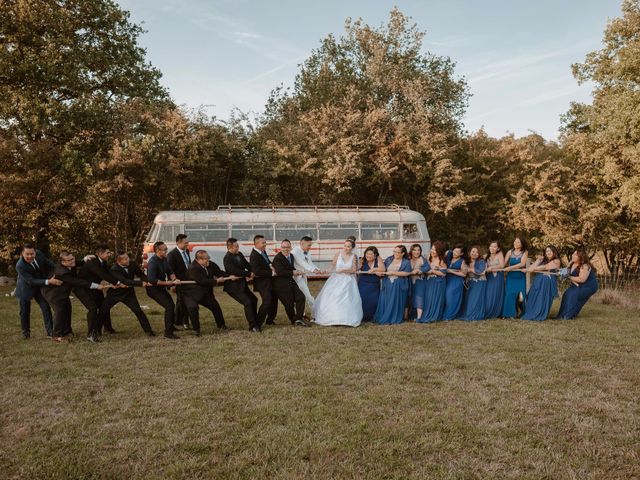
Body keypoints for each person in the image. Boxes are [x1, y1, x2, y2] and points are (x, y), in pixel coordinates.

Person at [42, 252, 107, 342]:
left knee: (68, 309)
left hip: (63, 291)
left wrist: (85, 259)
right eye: (69, 260)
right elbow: (77, 281)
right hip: (53, 293)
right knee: (60, 312)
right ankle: (57, 335)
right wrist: (96, 286)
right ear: (63, 262)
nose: (73, 261)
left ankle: (67, 331)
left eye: (73, 258)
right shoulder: (62, 272)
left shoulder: (69, 264)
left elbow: (77, 263)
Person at [101, 252, 156, 336]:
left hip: (128, 294)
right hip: (114, 294)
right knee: (103, 310)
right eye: (125, 259)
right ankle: (105, 329)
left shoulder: (132, 264)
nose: (128, 260)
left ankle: (148, 331)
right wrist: (141, 283)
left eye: (128, 257)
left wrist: (146, 280)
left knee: (138, 311)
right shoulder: (114, 269)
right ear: (119, 262)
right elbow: (125, 281)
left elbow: (141, 274)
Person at [182, 250, 236, 336]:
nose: (208, 260)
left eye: (208, 258)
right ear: (198, 260)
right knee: (193, 308)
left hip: (204, 293)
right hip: (191, 293)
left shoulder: (210, 264)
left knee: (215, 306)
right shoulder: (193, 268)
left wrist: (229, 276)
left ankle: (221, 325)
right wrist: (216, 281)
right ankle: (197, 330)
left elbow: (219, 272)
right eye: (206, 259)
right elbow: (202, 281)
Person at [14, 243, 61, 339]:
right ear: (22, 253)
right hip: (25, 289)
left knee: (45, 307)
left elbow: (49, 263)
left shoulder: (39, 254)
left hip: (40, 287)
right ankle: (25, 333)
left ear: (35, 252)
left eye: (32, 254)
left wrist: (59, 270)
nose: (30, 256)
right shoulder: (20, 265)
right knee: (24, 312)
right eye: (27, 254)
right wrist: (49, 281)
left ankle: (50, 332)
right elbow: (31, 281)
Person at [314, 239, 363, 327]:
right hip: (336, 278)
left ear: (352, 248)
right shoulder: (338, 254)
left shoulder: (354, 256)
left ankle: (346, 319)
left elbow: (354, 270)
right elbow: (332, 265)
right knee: (333, 296)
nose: (346, 248)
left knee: (347, 298)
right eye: (345, 245)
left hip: (348, 280)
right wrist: (326, 270)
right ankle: (332, 318)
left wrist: (344, 270)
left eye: (348, 246)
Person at [79, 244, 121, 335]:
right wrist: (117, 283)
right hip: (85, 288)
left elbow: (108, 273)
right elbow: (102, 274)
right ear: (100, 253)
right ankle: (93, 332)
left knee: (104, 307)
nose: (109, 254)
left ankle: (108, 328)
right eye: (107, 253)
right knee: (93, 309)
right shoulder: (93, 262)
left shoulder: (103, 262)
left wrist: (119, 280)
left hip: (95, 287)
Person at [223, 238, 261, 332]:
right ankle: (252, 326)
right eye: (236, 246)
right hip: (233, 288)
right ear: (230, 247)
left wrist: (253, 270)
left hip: (242, 285)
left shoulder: (239, 254)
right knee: (247, 302)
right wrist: (248, 274)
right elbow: (234, 271)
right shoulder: (227, 258)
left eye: (238, 246)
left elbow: (247, 264)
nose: (238, 248)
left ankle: (256, 320)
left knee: (254, 299)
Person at [146, 241, 181, 339]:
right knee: (169, 307)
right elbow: (152, 280)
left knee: (171, 305)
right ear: (158, 251)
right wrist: (169, 283)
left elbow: (170, 271)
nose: (167, 251)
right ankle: (168, 333)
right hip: (153, 290)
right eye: (165, 249)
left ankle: (171, 327)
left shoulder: (164, 259)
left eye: (166, 249)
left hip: (160, 288)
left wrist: (174, 279)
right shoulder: (152, 262)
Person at [272, 239, 308, 326]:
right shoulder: (277, 258)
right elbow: (280, 272)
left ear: (290, 247)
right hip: (281, 285)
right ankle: (293, 320)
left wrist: (298, 271)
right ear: (281, 248)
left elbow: (291, 268)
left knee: (301, 297)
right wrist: (293, 273)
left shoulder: (291, 256)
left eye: (287, 247)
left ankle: (298, 319)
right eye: (283, 247)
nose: (285, 249)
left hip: (290, 282)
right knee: (289, 305)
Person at [556, 247, 599, 319]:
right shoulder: (572, 263)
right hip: (577, 285)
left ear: (581, 257)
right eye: (573, 254)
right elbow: (565, 272)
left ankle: (568, 316)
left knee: (572, 295)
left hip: (589, 286)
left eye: (575, 255)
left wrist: (568, 277)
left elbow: (582, 279)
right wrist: (558, 272)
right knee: (567, 293)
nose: (573, 255)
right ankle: (562, 315)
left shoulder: (585, 266)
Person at [374, 245, 412, 325]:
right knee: (387, 300)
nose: (395, 253)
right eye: (394, 251)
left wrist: (394, 273)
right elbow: (383, 269)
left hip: (399, 284)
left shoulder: (406, 262)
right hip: (387, 283)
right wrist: (379, 272)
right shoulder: (389, 259)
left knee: (395, 301)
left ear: (403, 253)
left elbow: (407, 273)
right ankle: (384, 316)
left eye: (398, 252)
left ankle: (394, 317)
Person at [521, 245, 562, 321]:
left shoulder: (557, 261)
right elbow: (531, 268)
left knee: (541, 297)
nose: (548, 252)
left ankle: (539, 313)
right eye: (547, 251)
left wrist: (531, 269)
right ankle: (531, 312)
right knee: (532, 295)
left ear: (554, 252)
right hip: (538, 280)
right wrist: (537, 261)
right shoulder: (543, 260)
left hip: (547, 282)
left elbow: (545, 267)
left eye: (550, 251)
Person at [249, 235, 279, 326]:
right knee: (267, 302)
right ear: (256, 243)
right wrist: (271, 273)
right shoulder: (254, 255)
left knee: (274, 300)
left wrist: (271, 265)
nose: (265, 244)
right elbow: (256, 271)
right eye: (263, 243)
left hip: (270, 281)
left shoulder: (262, 251)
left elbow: (267, 261)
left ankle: (270, 320)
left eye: (265, 242)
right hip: (262, 283)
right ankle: (258, 322)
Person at [418, 241, 448, 323]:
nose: (433, 251)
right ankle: (427, 314)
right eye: (432, 249)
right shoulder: (428, 258)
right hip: (429, 281)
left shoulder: (441, 260)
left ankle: (434, 316)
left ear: (439, 251)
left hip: (438, 282)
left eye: (435, 250)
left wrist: (433, 271)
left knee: (435, 298)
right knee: (428, 298)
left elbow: (443, 273)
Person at [167, 234, 192, 330]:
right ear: (178, 243)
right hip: (179, 282)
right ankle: (185, 322)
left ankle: (178, 320)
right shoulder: (172, 255)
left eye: (188, 243)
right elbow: (170, 271)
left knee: (181, 302)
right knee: (183, 302)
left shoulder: (187, 251)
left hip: (188, 281)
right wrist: (173, 284)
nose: (187, 245)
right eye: (185, 243)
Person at [291, 236, 320, 317]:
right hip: (296, 278)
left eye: (310, 245)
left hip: (303, 276)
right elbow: (302, 263)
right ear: (302, 243)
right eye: (309, 245)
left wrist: (318, 269)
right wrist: (313, 270)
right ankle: (315, 314)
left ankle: (303, 314)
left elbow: (309, 262)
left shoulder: (306, 251)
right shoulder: (294, 252)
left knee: (302, 296)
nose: (310, 247)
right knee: (308, 296)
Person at [502, 236, 529, 318]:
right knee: (509, 294)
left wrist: (510, 268)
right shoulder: (510, 252)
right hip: (511, 277)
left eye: (518, 242)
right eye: (515, 241)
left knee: (521, 297)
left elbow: (522, 264)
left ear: (522, 244)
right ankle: (508, 314)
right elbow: (503, 264)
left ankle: (522, 312)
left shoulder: (525, 252)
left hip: (520, 277)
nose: (516, 243)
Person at [458, 246, 487, 321]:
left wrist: (470, 269)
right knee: (469, 299)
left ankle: (475, 315)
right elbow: (463, 271)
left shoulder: (481, 261)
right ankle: (468, 313)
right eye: (473, 251)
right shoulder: (466, 261)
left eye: (477, 252)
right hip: (469, 282)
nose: (474, 253)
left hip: (479, 282)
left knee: (475, 299)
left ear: (479, 254)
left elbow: (480, 271)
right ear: (470, 252)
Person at [357, 246, 384, 322]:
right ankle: (362, 317)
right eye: (367, 254)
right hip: (363, 284)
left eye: (370, 254)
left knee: (374, 301)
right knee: (363, 300)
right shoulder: (362, 260)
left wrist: (374, 269)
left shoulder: (378, 259)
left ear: (375, 255)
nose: (368, 256)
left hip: (374, 285)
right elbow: (357, 268)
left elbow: (383, 269)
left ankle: (372, 317)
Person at [443, 244, 467, 320]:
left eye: (457, 252)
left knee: (451, 298)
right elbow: (447, 252)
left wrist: (450, 271)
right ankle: (445, 314)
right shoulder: (449, 257)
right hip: (447, 280)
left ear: (461, 254)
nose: (455, 253)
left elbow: (464, 274)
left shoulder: (462, 261)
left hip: (456, 281)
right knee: (446, 297)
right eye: (454, 251)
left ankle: (449, 316)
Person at [484, 241, 505, 318]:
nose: (492, 248)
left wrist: (492, 267)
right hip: (489, 277)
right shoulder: (486, 256)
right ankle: (488, 310)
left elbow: (502, 265)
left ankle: (496, 312)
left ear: (498, 248)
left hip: (498, 276)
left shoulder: (499, 254)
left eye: (494, 247)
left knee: (496, 293)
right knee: (489, 294)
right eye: (491, 246)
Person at [407, 244, 426, 321]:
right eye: (414, 250)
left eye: (418, 250)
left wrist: (420, 271)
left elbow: (427, 267)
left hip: (419, 280)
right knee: (410, 297)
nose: (416, 252)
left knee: (419, 297)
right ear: (411, 250)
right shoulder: (408, 259)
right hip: (409, 280)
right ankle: (410, 315)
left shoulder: (422, 258)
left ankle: (419, 317)